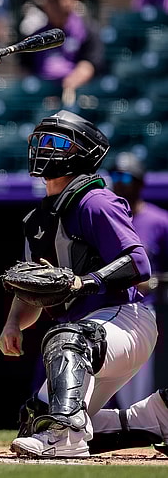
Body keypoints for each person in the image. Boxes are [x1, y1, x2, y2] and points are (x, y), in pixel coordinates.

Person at [0, 110, 157, 458]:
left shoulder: (95, 201)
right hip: (84, 338)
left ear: (82, 152)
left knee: (65, 338)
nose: (42, 147)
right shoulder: (36, 220)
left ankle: (66, 439)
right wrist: (13, 322)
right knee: (36, 420)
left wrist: (84, 282)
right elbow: (31, 287)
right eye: (38, 139)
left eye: (55, 141)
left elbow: (138, 262)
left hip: (124, 319)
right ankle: (157, 418)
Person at [106, 152, 168, 408]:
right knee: (110, 381)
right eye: (115, 176)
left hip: (146, 310)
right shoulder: (106, 217)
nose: (118, 182)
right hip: (109, 307)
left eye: (125, 176)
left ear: (140, 182)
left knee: (139, 388)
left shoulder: (160, 220)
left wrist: (153, 281)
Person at [18, 0, 104, 107]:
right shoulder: (37, 35)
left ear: (71, 0)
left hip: (74, 92)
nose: (51, 5)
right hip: (42, 93)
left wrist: (69, 85)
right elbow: (25, 69)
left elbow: (90, 63)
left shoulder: (86, 30)